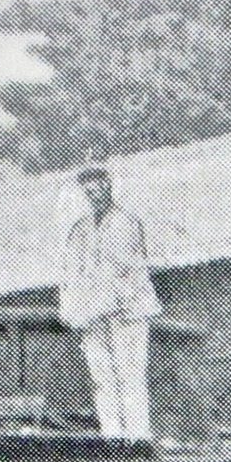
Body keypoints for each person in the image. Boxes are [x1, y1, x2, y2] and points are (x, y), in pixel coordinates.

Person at [57, 163, 162, 440]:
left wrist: (90, 306)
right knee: (102, 378)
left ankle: (137, 439)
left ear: (109, 185)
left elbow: (117, 271)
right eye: (87, 187)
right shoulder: (79, 230)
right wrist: (71, 310)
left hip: (128, 311)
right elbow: (70, 272)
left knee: (130, 376)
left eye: (99, 183)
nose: (94, 191)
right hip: (94, 314)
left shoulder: (126, 222)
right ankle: (112, 437)